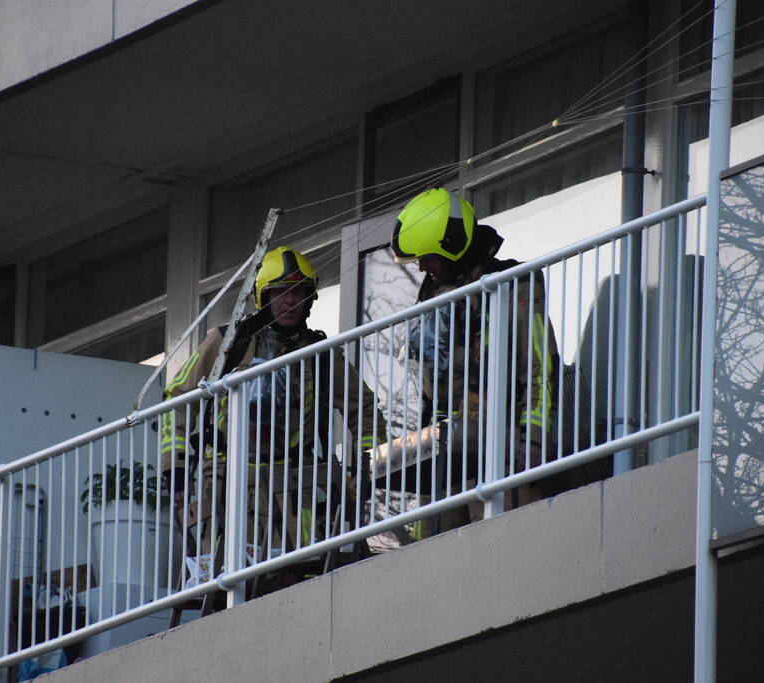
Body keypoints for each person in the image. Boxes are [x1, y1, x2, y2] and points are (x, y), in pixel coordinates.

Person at [159, 246, 385, 579]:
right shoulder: (228, 342)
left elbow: (364, 408)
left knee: (296, 580)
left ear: (309, 299)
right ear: (263, 297)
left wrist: (366, 465)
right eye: (281, 292)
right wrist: (174, 467)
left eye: (298, 293)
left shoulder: (319, 355)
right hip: (229, 481)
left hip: (297, 484)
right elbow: (178, 397)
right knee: (233, 582)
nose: (290, 301)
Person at [390, 188, 557, 527]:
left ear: (452, 246)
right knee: (435, 563)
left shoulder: (513, 286)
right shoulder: (431, 300)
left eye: (428, 257)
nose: (422, 266)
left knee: (508, 548)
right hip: (445, 456)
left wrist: (533, 439)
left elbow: (539, 370)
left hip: (504, 449)